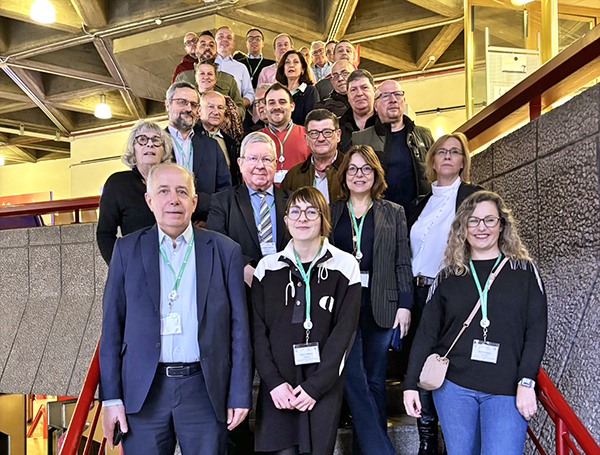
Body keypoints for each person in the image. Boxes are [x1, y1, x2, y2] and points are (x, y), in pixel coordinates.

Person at [99, 162, 252, 455]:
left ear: (194, 202)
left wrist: (240, 393)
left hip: (205, 391)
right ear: (150, 200)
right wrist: (111, 399)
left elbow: (239, 329)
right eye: (164, 191)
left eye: (182, 192)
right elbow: (111, 330)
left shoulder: (225, 251)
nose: (174, 199)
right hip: (144, 393)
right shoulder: (126, 250)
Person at [403, 190, 547, 455]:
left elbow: (536, 331)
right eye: (473, 220)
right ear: (462, 227)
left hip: (506, 388)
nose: (481, 228)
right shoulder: (448, 275)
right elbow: (427, 334)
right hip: (454, 389)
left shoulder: (524, 272)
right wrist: (410, 384)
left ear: (502, 225)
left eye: (489, 220)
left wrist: (527, 381)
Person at [251, 186, 361, 455]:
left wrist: (315, 388)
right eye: (295, 211)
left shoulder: (346, 266)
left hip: (322, 386)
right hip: (278, 387)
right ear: (285, 219)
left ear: (324, 220)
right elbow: (257, 332)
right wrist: (274, 383)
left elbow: (343, 335)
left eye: (312, 211)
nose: (303, 218)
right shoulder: (267, 267)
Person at [329, 145, 412, 455]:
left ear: (376, 174)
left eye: (366, 169)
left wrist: (405, 305)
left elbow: (403, 261)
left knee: (376, 377)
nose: (359, 174)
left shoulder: (394, 212)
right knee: (353, 376)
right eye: (352, 168)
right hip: (341, 305)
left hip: (382, 303)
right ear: (344, 175)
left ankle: (369, 448)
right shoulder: (333, 211)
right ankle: (378, 447)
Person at [406, 133, 482, 455]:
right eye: (441, 152)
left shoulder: (473, 197)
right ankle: (426, 441)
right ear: (432, 161)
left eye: (455, 152)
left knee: (447, 362)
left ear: (463, 161)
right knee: (421, 362)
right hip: (419, 291)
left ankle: (453, 436)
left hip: (452, 294)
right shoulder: (418, 204)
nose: (448, 157)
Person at [207, 132, 291, 288]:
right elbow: (215, 243)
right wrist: (243, 267)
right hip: (242, 286)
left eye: (266, 159)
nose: (260, 166)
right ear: (240, 163)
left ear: (276, 165)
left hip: (287, 286)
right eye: (253, 159)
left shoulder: (293, 201)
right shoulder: (222, 202)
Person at [352, 79, 434, 216]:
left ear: (403, 100)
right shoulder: (361, 139)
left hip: (420, 215)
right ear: (376, 106)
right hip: (379, 216)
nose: (393, 99)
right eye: (385, 95)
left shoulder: (424, 135)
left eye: (397, 94)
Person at [97, 120, 172, 264]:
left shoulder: (174, 180)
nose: (150, 144)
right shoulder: (117, 183)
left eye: (156, 140)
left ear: (164, 150)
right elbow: (105, 234)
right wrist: (120, 268)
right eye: (142, 140)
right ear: (133, 149)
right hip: (137, 265)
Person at [164, 81, 231, 224]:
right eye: (182, 102)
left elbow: (225, 191)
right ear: (168, 105)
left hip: (204, 225)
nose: (188, 108)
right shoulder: (155, 144)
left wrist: (210, 220)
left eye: (193, 104)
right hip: (164, 225)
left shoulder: (212, 146)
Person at [175, 31, 246, 120]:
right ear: (196, 52)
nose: (207, 47)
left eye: (211, 45)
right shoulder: (183, 77)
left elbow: (241, 110)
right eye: (203, 45)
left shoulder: (228, 79)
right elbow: (172, 106)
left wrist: (225, 110)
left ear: (216, 54)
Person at [281, 109, 343, 203]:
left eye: (327, 132)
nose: (321, 139)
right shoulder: (294, 175)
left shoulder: (352, 170)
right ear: (306, 139)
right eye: (314, 133)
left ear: (338, 135)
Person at [258, 83, 311, 185]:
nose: (277, 107)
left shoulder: (308, 135)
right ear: (265, 108)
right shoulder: (255, 139)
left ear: (292, 106)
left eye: (282, 102)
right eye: (271, 103)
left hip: (300, 198)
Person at [197, 90, 241, 185]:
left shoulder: (231, 143)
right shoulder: (191, 138)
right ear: (199, 110)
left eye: (220, 108)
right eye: (211, 107)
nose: (216, 112)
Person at [275, 50, 319, 127]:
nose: (291, 65)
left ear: (303, 69)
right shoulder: (277, 92)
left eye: (296, 62)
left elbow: (313, 121)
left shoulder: (309, 91)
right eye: (287, 62)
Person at [215, 26, 254, 109]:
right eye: (221, 36)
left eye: (229, 38)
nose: (225, 39)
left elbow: (250, 94)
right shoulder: (206, 65)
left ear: (233, 44)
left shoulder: (241, 68)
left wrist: (236, 105)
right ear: (214, 42)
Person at [339, 69, 376, 152]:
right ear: (348, 96)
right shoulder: (337, 128)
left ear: (374, 91)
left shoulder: (387, 124)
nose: (359, 93)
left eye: (364, 88)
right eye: (353, 90)